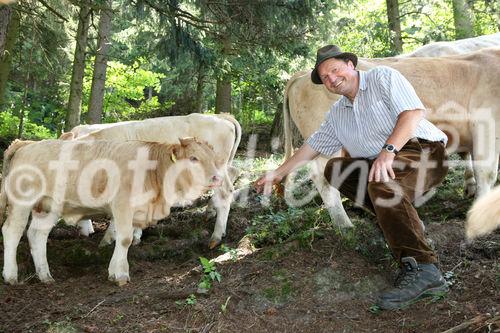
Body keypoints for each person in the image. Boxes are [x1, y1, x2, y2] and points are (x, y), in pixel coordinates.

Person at [255, 44, 450, 310]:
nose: (331, 79)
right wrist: (277, 174)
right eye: (324, 77)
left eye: (334, 70)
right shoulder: (339, 113)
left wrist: (388, 151)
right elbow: (312, 146)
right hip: (385, 162)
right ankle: (403, 223)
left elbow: (413, 113)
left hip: (423, 151)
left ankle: (424, 270)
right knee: (335, 169)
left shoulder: (383, 77)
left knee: (381, 183)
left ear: (350, 64)